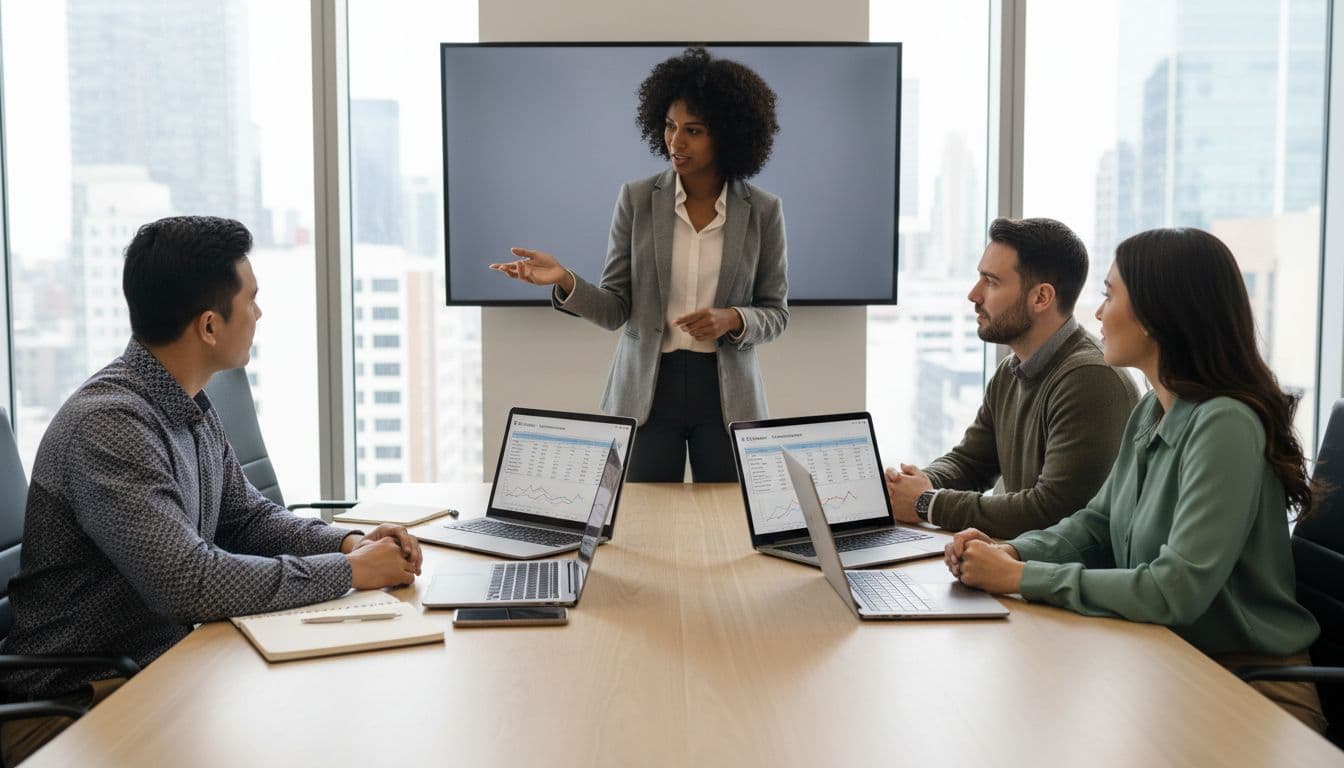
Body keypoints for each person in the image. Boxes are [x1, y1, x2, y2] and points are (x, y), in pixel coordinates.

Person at [0, 216, 422, 764]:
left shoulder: (188, 403)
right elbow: (189, 583)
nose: (259, 313)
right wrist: (350, 574)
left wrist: (348, 543)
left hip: (163, 666)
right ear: (208, 326)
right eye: (251, 299)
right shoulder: (110, 425)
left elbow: (246, 519)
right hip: (76, 703)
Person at [947, 227, 1326, 732]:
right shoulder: (1153, 407)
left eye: (1109, 295)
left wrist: (1019, 579)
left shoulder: (1225, 423)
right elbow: (1096, 525)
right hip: (1169, 663)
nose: (1098, 314)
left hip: (1251, 690)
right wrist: (1012, 551)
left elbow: (1175, 591)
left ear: (1156, 315)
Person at [489, 47, 787, 482]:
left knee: (729, 519)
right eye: (669, 126)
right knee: (642, 520)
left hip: (726, 398)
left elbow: (776, 314)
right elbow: (615, 309)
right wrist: (565, 280)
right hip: (647, 391)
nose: (675, 142)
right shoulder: (637, 198)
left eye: (693, 130)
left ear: (727, 134)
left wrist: (734, 318)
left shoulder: (762, 210)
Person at [884, 218, 1139, 538]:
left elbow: (1051, 511)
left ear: (1041, 298)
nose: (973, 295)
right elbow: (971, 464)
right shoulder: (1011, 370)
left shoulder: (1090, 380)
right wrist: (910, 486)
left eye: (990, 282)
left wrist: (926, 503)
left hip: (1060, 582)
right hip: (1016, 569)